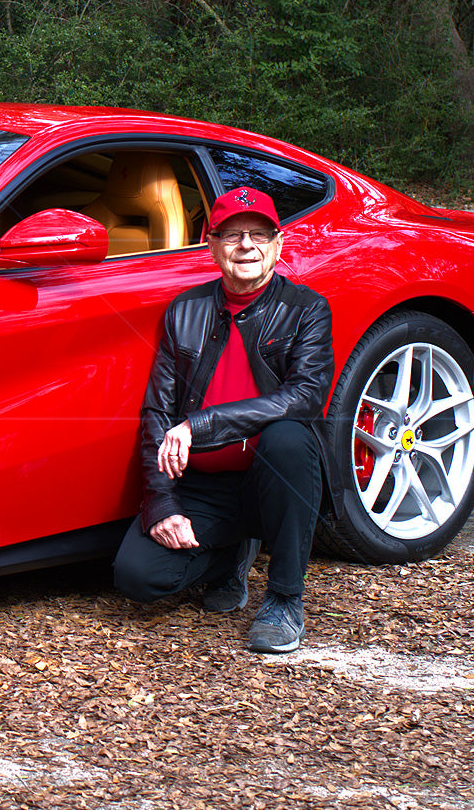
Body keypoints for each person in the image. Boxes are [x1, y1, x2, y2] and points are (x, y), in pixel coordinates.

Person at [112, 186, 333, 653]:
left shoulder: (306, 309)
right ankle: (229, 556)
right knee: (138, 577)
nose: (246, 245)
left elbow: (305, 397)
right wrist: (162, 504)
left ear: (278, 244)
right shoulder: (185, 310)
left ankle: (285, 599)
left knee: (289, 438)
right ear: (211, 246)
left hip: (271, 479)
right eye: (231, 235)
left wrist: (200, 425)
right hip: (204, 485)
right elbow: (158, 412)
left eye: (258, 234)